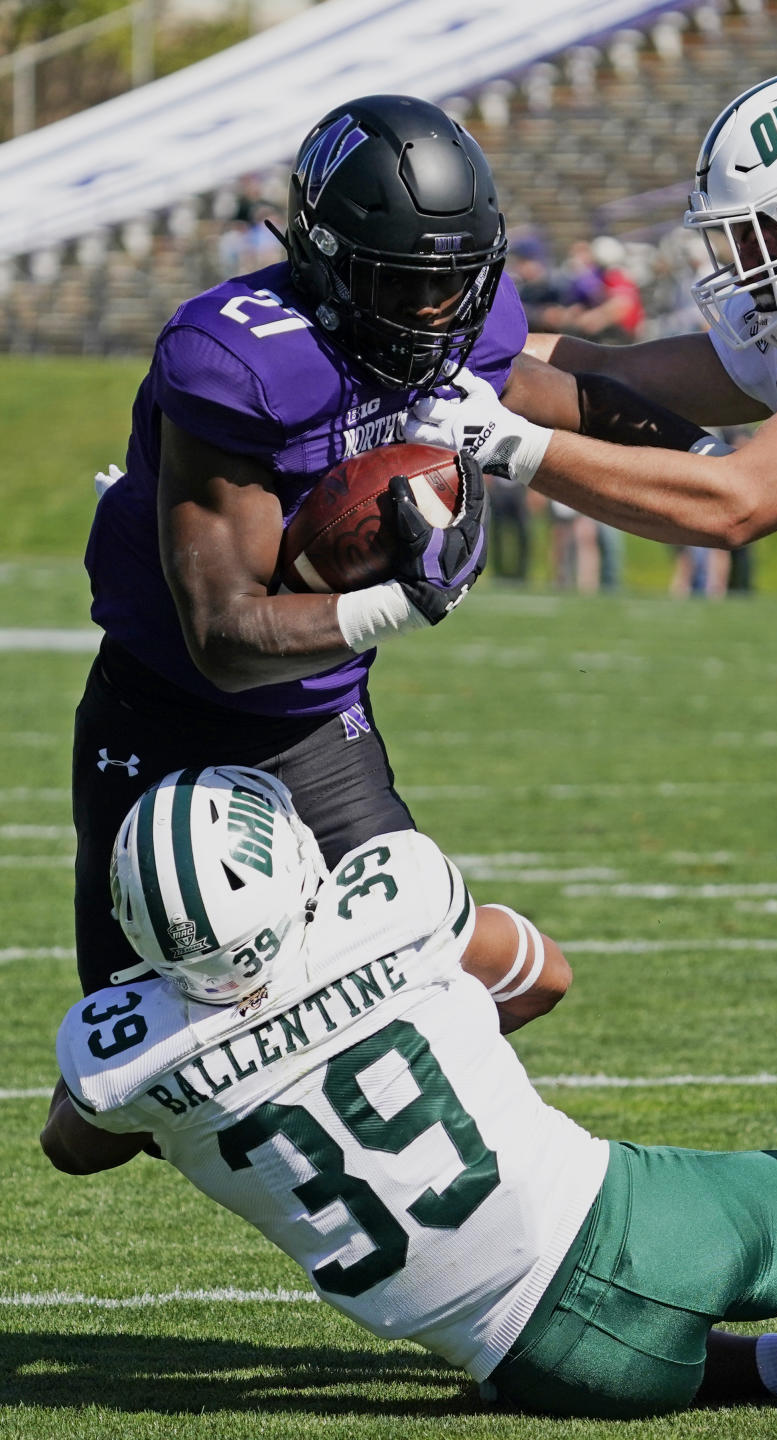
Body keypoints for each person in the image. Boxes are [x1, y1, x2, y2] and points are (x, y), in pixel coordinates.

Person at [42, 766, 777, 1418]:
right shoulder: (391, 903)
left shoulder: (119, 1057)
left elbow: (71, 1146)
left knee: (637, 1349)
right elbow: (543, 975)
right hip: (630, 1235)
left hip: (536, 1365)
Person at [398, 68, 777, 1052]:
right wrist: (424, 342)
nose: (737, 260)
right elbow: (605, 378)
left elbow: (736, 503)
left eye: (756, 232)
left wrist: (499, 444)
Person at [73, 92, 515, 997]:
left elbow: (574, 377)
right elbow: (225, 638)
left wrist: (722, 429)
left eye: (451, 280)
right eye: (400, 280)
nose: (434, 310)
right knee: (138, 1081)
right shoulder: (238, 361)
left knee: (429, 988)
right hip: (162, 718)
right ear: (325, 260)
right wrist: (407, 598)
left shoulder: (466, 327)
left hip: (317, 730)